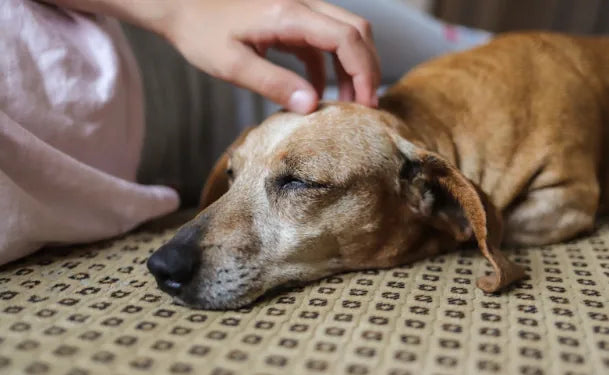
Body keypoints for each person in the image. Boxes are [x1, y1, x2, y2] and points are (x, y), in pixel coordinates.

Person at [0, 0, 490, 265]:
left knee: (477, 53)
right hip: (164, 162)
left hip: (140, 26)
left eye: (298, 184)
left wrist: (180, 11)